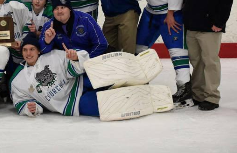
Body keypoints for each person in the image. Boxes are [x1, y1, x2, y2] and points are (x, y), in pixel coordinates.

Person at [11, 33, 172, 119]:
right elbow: (20, 100)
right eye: (25, 50)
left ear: (38, 50)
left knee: (105, 75)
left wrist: (74, 58)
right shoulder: (18, 81)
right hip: (73, 103)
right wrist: (29, 108)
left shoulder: (52, 56)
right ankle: (141, 98)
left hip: (79, 82)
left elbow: (76, 67)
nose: (28, 53)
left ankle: (135, 76)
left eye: (32, 49)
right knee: (108, 105)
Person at [183, 0, 233, 111]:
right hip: (192, 25)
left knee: (210, 61)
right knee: (196, 62)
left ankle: (211, 97)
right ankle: (198, 95)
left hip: (210, 27)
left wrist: (219, 22)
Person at [39, 0, 108, 57]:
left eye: (62, 7)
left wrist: (83, 59)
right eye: (56, 8)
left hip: (89, 60)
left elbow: (101, 44)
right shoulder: (48, 26)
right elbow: (42, 51)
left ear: (69, 9)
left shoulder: (86, 19)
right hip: (65, 63)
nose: (59, 11)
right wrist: (47, 42)